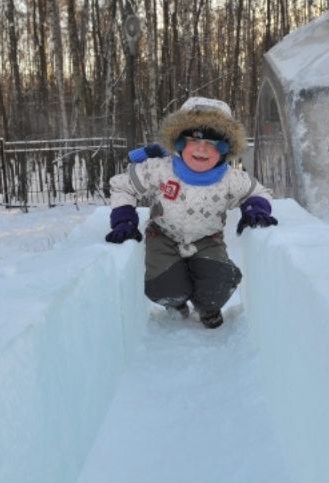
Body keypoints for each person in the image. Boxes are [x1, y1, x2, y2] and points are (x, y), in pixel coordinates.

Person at [105, 97, 278, 329]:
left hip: (208, 239)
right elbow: (123, 184)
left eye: (213, 142)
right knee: (163, 286)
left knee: (221, 282)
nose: (202, 148)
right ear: (178, 143)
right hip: (163, 236)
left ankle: (208, 307)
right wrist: (123, 219)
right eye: (194, 139)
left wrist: (255, 209)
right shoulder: (160, 169)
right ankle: (176, 303)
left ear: (226, 148)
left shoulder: (230, 179)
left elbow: (256, 192)